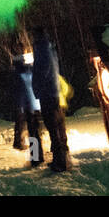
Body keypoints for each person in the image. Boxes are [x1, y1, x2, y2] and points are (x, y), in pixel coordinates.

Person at [31, 27, 71, 172]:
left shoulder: (42, 51)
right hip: (52, 93)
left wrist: (36, 89)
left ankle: (58, 162)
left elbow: (41, 73)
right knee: (57, 127)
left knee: (52, 129)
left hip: (46, 95)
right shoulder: (50, 49)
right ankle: (61, 159)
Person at [11, 50, 43, 165]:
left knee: (32, 132)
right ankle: (38, 155)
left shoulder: (18, 74)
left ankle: (36, 157)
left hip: (27, 106)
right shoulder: (32, 70)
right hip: (36, 104)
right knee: (36, 131)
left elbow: (19, 92)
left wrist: (20, 106)